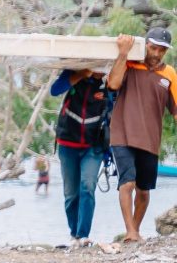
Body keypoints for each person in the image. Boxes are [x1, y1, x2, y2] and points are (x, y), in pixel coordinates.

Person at [107, 28, 177, 243]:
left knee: (144, 192)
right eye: (153, 47)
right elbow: (113, 84)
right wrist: (122, 53)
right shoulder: (128, 63)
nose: (156, 53)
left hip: (149, 139)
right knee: (127, 184)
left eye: (161, 50)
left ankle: (133, 232)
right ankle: (131, 231)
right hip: (122, 133)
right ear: (145, 44)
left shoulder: (170, 75)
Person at [50, 69, 109, 246]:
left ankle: (83, 235)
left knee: (87, 186)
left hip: (94, 146)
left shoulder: (109, 84)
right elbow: (55, 90)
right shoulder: (73, 73)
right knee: (71, 194)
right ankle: (74, 234)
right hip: (68, 144)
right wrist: (83, 74)